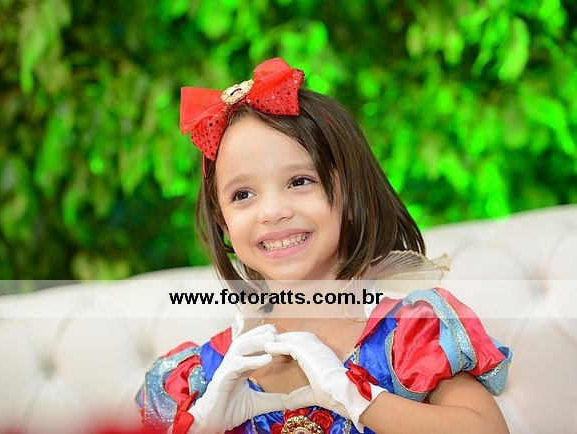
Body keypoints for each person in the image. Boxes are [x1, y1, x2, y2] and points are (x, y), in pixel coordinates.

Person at [136, 58, 512, 434]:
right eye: (243, 194)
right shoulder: (206, 374)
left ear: (351, 193)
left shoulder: (406, 335)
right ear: (223, 221)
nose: (273, 212)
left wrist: (355, 396)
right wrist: (203, 424)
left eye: (300, 181)